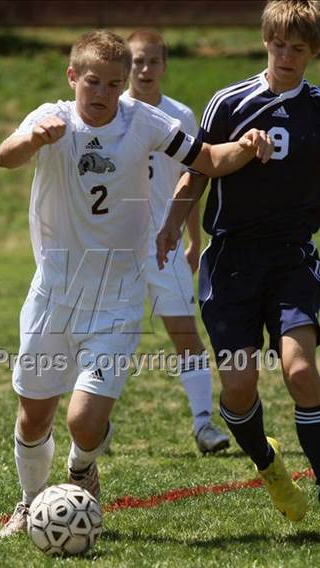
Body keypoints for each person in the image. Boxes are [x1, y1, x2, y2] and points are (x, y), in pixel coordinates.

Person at [0, 29, 273, 537]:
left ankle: (82, 469)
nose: (101, 93)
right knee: (34, 417)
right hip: (54, 292)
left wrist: (247, 145)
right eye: (93, 82)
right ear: (73, 77)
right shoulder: (50, 117)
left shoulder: (143, 122)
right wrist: (32, 140)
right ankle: (29, 504)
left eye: (113, 84)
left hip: (119, 293)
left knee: (83, 420)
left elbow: (207, 160)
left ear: (124, 85)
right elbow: (5, 155)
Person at [157, 0, 320, 522]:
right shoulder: (230, 102)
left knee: (300, 372)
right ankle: (269, 464)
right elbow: (197, 171)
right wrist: (169, 227)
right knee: (240, 385)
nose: (286, 55)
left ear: (313, 52)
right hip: (230, 263)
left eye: (298, 48)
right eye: (278, 45)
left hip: (293, 259)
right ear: (265, 42)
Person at [122, 30, 230, 454]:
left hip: (163, 245)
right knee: (108, 335)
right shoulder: (111, 113)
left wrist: (192, 238)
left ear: (165, 66)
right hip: (116, 248)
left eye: (153, 61)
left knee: (184, 332)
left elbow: (193, 179)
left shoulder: (180, 116)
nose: (145, 69)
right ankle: (99, 424)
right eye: (136, 62)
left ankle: (204, 424)